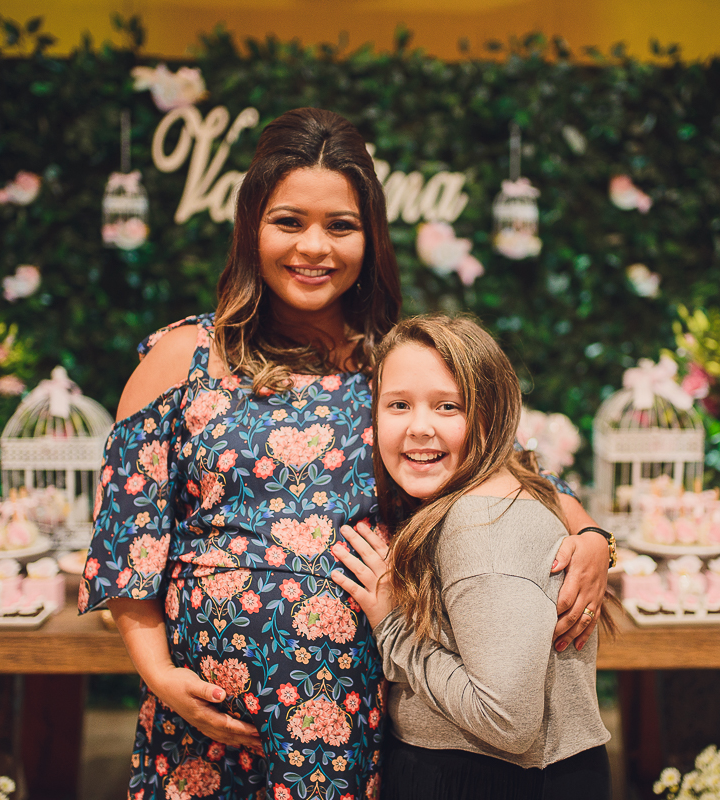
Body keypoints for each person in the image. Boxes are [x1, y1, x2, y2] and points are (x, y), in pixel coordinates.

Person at [78, 107, 613, 800]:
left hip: (353, 715)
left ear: (371, 237)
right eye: (289, 221)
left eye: (341, 226)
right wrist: (157, 673)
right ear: (251, 228)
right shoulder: (182, 357)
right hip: (205, 723)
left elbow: (503, 464)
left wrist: (590, 532)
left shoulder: (395, 362)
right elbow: (129, 532)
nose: (314, 247)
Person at [331, 314, 615, 800]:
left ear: (491, 415)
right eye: (398, 405)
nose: (419, 428)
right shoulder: (504, 488)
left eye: (448, 407)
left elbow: (506, 720)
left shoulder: (481, 526)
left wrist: (392, 626)